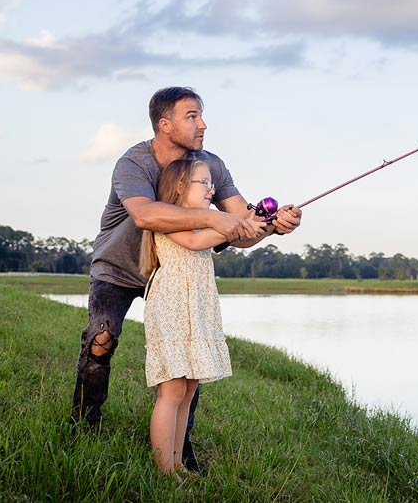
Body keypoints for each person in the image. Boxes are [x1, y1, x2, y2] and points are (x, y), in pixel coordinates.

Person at [70, 87, 302, 473]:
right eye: (192, 116)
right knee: (101, 336)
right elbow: (146, 216)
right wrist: (215, 219)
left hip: (179, 278)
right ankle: (85, 423)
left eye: (202, 115)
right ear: (165, 124)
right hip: (120, 266)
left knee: (188, 365)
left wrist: (274, 227)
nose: (203, 124)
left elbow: (240, 224)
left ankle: (182, 449)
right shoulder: (134, 163)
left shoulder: (211, 166)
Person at [138, 159, 257, 476]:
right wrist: (234, 225)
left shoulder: (205, 223)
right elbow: (195, 241)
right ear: (180, 187)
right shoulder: (170, 220)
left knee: (188, 390)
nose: (211, 189)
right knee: (172, 391)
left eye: (211, 183)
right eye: (203, 183)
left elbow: (217, 231)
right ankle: (165, 473)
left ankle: (177, 464)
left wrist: (261, 221)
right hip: (172, 308)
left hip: (197, 309)